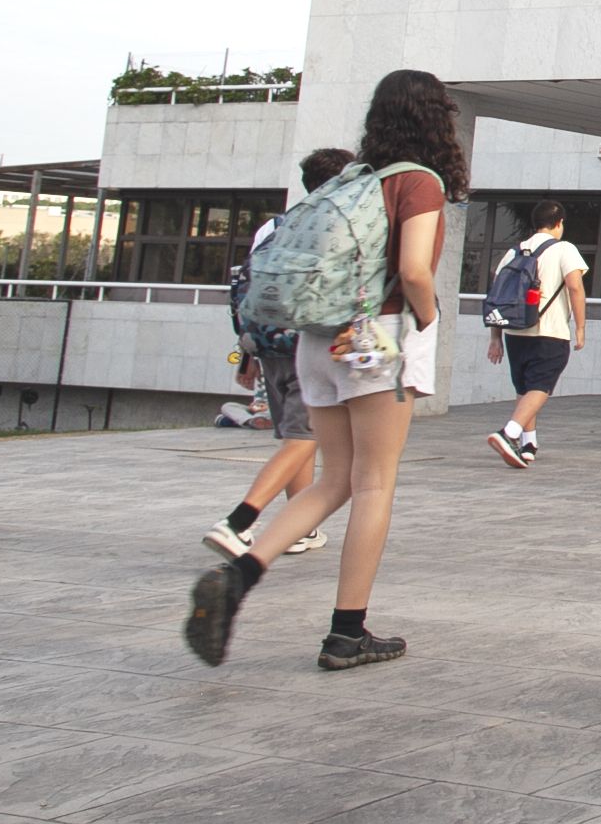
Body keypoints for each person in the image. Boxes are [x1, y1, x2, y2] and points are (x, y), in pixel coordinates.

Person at [183, 69, 462, 672]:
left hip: (318, 340)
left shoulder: (351, 179)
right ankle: (346, 633)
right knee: (374, 484)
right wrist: (428, 316)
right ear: (436, 117)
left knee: (333, 479)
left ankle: (239, 575)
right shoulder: (419, 182)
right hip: (376, 341)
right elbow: (414, 269)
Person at [203, 146, 357, 563]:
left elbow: (249, 293)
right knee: (304, 439)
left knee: (299, 437)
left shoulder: (273, 228)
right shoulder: (335, 225)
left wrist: (246, 352)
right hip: (308, 347)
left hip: (268, 347)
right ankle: (239, 521)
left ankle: (300, 528)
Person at [483, 201, 589, 468]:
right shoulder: (565, 249)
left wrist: (495, 338)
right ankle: (509, 433)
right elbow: (575, 287)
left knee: (525, 388)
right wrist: (580, 327)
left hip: (514, 331)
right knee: (540, 388)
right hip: (550, 331)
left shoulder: (513, 251)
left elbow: (498, 296)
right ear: (559, 223)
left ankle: (528, 443)